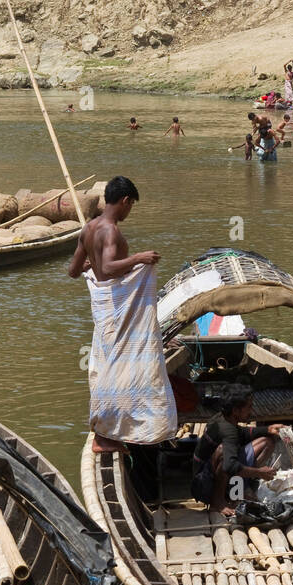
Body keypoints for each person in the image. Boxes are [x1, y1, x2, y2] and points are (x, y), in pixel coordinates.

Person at [67, 176, 178, 454]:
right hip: (115, 311)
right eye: (131, 206)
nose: (130, 212)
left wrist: (91, 268)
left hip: (104, 309)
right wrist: (139, 258)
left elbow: (73, 270)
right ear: (125, 201)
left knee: (108, 364)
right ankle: (105, 435)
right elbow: (110, 265)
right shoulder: (110, 231)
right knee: (118, 367)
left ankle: (108, 431)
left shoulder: (88, 229)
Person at [191, 392, 286, 515]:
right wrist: (260, 472)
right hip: (204, 485)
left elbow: (242, 433)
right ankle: (218, 502)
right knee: (224, 453)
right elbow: (230, 466)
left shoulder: (224, 418)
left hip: (218, 472)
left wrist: (268, 429)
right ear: (236, 411)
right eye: (249, 407)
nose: (251, 411)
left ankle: (236, 492)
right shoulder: (227, 430)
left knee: (266, 442)